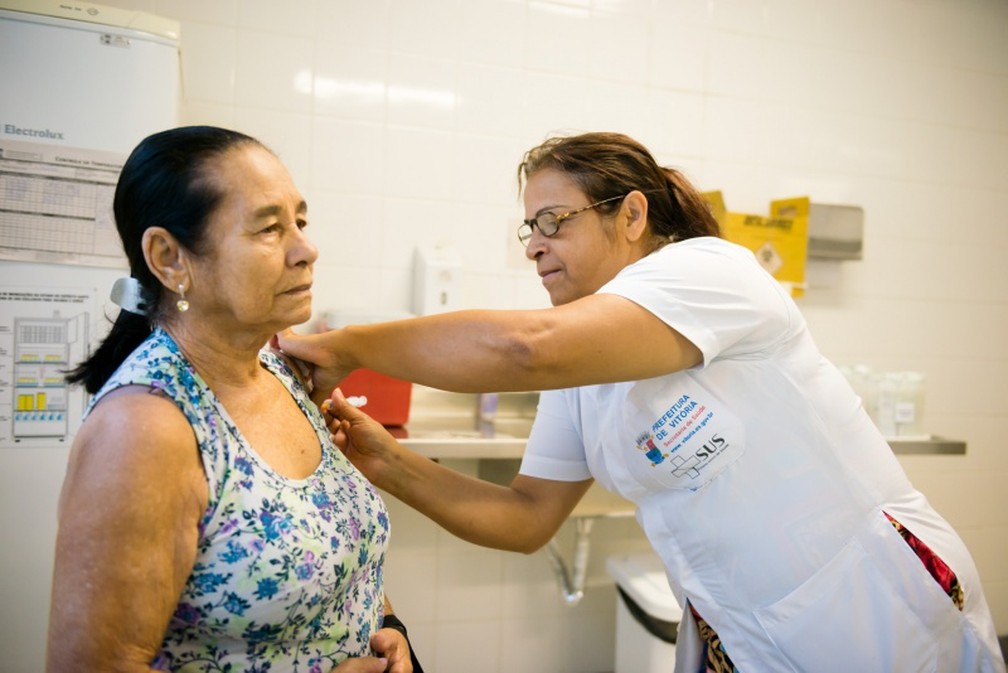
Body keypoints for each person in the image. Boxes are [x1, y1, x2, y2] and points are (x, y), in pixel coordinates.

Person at [277, 131, 1005, 672]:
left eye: (554, 220)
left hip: (871, 605)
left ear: (630, 215)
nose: (534, 244)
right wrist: (384, 458)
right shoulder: (586, 367)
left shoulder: (711, 271)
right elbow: (525, 516)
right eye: (529, 228)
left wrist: (346, 345)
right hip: (743, 636)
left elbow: (526, 348)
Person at [48, 126, 419, 673]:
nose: (306, 248)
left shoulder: (282, 372)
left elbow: (335, 554)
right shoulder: (146, 428)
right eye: (269, 228)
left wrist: (387, 626)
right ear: (170, 258)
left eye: (300, 221)